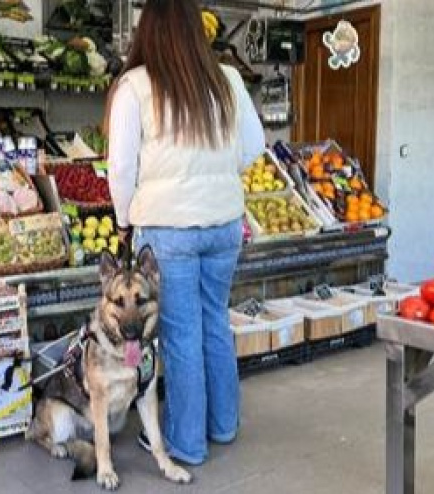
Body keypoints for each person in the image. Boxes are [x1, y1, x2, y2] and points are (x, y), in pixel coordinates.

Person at [105, 0, 265, 466]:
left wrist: (122, 220)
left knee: (180, 335)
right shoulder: (228, 80)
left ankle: (186, 443)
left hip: (168, 227)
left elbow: (120, 168)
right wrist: (217, 173)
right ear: (198, 30)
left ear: (147, 32)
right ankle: (223, 426)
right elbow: (253, 148)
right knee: (215, 321)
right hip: (223, 225)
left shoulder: (135, 86)